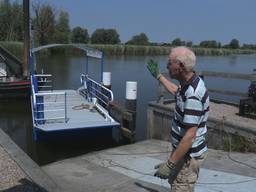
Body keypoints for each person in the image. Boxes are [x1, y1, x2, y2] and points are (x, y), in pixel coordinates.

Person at [147, 46, 209, 192]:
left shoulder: (193, 95)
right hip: (183, 153)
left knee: (180, 187)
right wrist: (158, 76)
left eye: (169, 62)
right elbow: (177, 92)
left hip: (188, 156)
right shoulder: (188, 83)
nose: (167, 66)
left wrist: (170, 164)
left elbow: (190, 136)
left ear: (180, 66)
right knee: (175, 183)